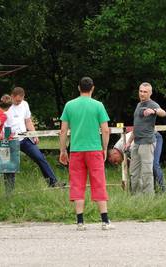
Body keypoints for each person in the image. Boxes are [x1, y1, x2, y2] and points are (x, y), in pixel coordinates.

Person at [59, 77, 113, 231]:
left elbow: (63, 131)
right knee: (98, 181)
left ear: (78, 88)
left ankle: (80, 222)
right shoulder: (98, 105)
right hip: (94, 149)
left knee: (77, 182)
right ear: (92, 88)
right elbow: (105, 129)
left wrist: (63, 150)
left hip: (76, 150)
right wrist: (104, 148)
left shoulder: (69, 105)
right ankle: (104, 220)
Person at [5, 87, 64, 188]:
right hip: (10, 140)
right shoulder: (5, 107)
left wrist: (34, 134)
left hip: (25, 138)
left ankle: (53, 182)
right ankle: (9, 192)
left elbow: (28, 121)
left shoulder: (24, 104)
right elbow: (2, 125)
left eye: (21, 100)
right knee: (10, 166)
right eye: (17, 100)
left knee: (40, 158)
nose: (19, 102)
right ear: (12, 96)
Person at [125, 82, 166, 194]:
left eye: (145, 92)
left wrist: (154, 111)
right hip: (136, 143)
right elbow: (136, 127)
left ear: (150, 93)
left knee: (147, 172)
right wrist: (129, 142)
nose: (142, 94)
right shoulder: (138, 105)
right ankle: (136, 198)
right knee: (134, 172)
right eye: (141, 91)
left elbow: (163, 113)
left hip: (147, 143)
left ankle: (148, 199)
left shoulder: (152, 104)